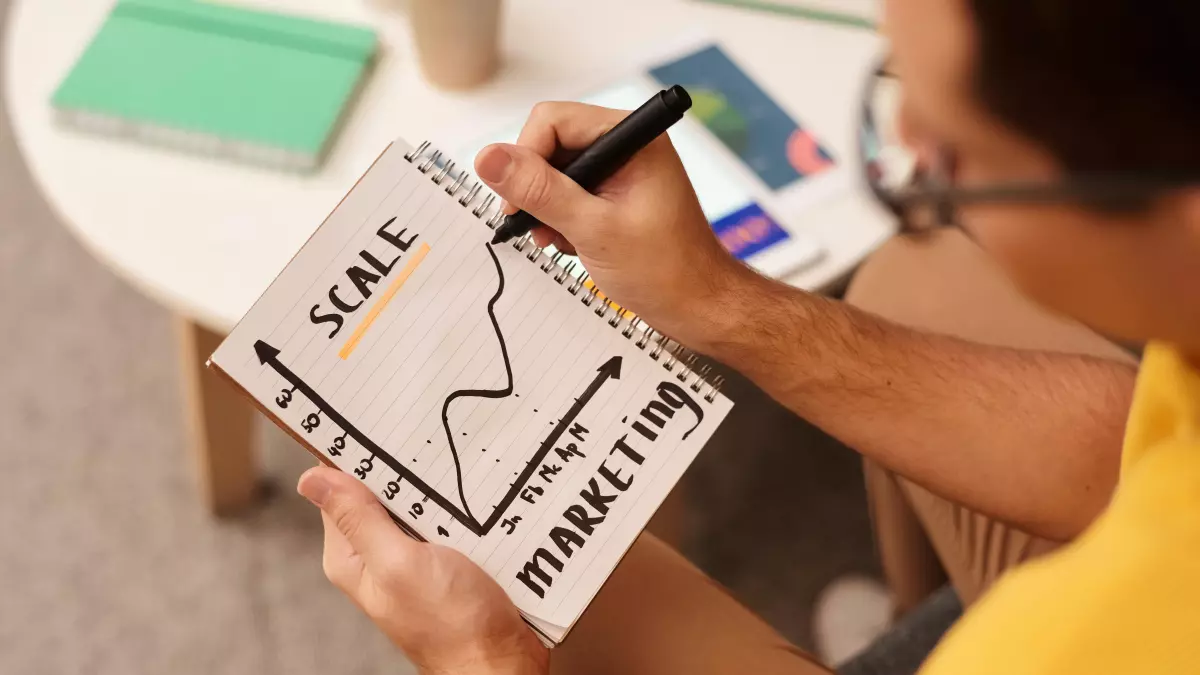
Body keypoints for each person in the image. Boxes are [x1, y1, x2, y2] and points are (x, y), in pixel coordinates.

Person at [292, 0, 1200, 672]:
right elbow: (1141, 453)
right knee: (913, 277)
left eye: (955, 153)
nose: (913, 150)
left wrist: (484, 658)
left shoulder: (1094, 635)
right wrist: (717, 299)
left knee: (547, 607)